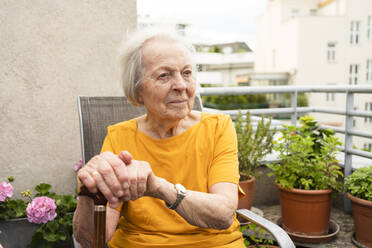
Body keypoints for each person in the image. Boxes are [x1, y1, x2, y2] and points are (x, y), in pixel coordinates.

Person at [73, 29, 246, 248]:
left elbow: (223, 214)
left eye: (186, 73)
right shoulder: (120, 137)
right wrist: (88, 195)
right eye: (164, 75)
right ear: (137, 91)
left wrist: (159, 188)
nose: (181, 85)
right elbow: (91, 240)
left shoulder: (218, 128)